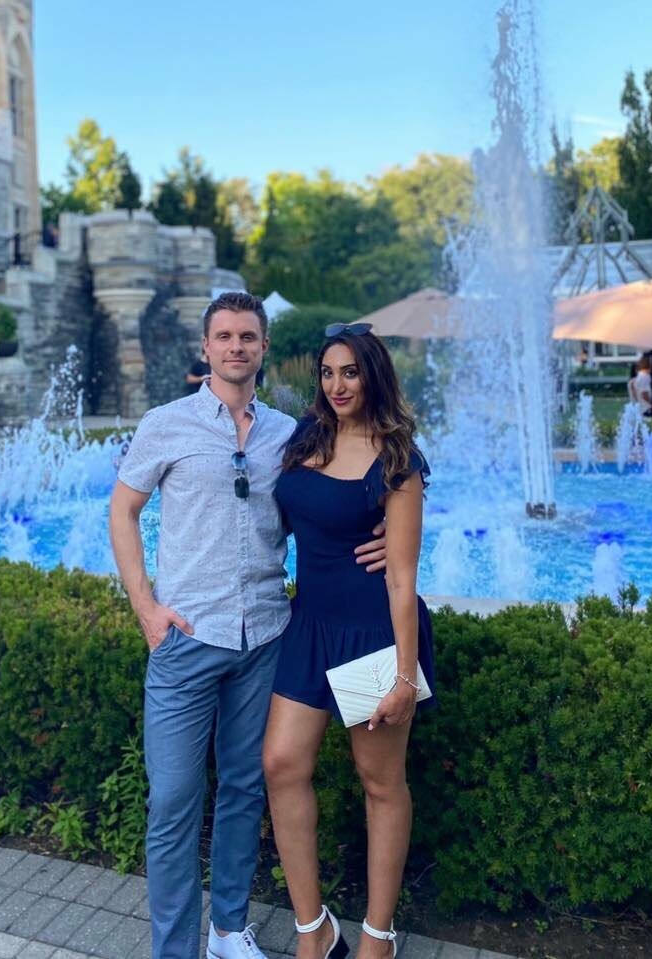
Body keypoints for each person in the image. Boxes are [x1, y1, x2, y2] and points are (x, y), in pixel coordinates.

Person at [109, 293, 389, 959]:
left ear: (263, 347)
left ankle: (228, 930)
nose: (236, 347)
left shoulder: (291, 435)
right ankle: (174, 950)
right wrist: (145, 605)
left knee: (243, 788)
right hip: (186, 637)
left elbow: (341, 490)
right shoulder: (166, 424)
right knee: (173, 801)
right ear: (205, 347)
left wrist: (387, 533)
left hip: (265, 636)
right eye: (224, 336)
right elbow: (123, 511)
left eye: (247, 337)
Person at [262, 324, 436, 959]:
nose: (337, 385)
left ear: (373, 377)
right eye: (328, 373)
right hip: (308, 626)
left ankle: (378, 937)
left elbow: (403, 577)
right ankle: (315, 929)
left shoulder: (397, 459)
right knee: (281, 764)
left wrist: (404, 677)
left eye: (351, 373)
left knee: (379, 781)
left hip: (371, 634)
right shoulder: (307, 435)